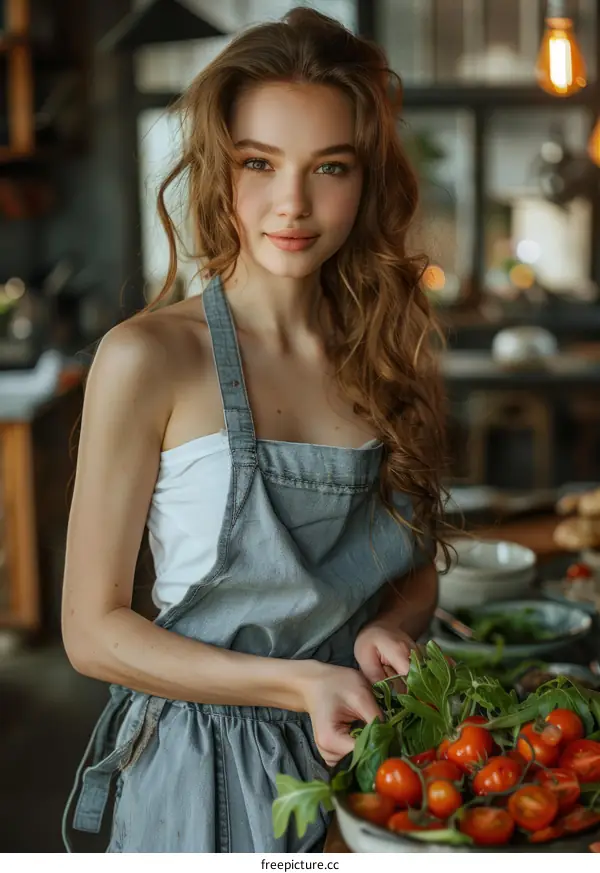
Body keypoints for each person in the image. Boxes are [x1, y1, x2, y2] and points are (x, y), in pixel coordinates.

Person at [61, 6, 448, 854]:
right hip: (201, 779)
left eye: (331, 167)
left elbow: (412, 567)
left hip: (369, 767)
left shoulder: (389, 357)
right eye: (258, 163)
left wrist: (392, 625)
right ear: (214, 167)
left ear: (368, 178)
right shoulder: (148, 357)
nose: (293, 204)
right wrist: (297, 681)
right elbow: (92, 632)